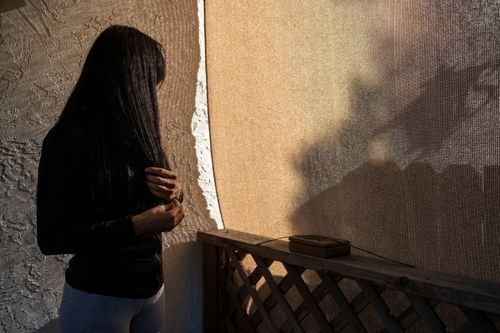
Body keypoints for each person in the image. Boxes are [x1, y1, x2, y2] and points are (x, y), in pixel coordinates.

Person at [36, 25, 185, 332]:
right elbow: (52, 237)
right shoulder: (67, 139)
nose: (151, 96)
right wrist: (139, 224)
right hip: (98, 298)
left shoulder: (140, 138)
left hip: (151, 291)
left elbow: (144, 201)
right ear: (128, 82)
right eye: (148, 84)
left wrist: (175, 193)